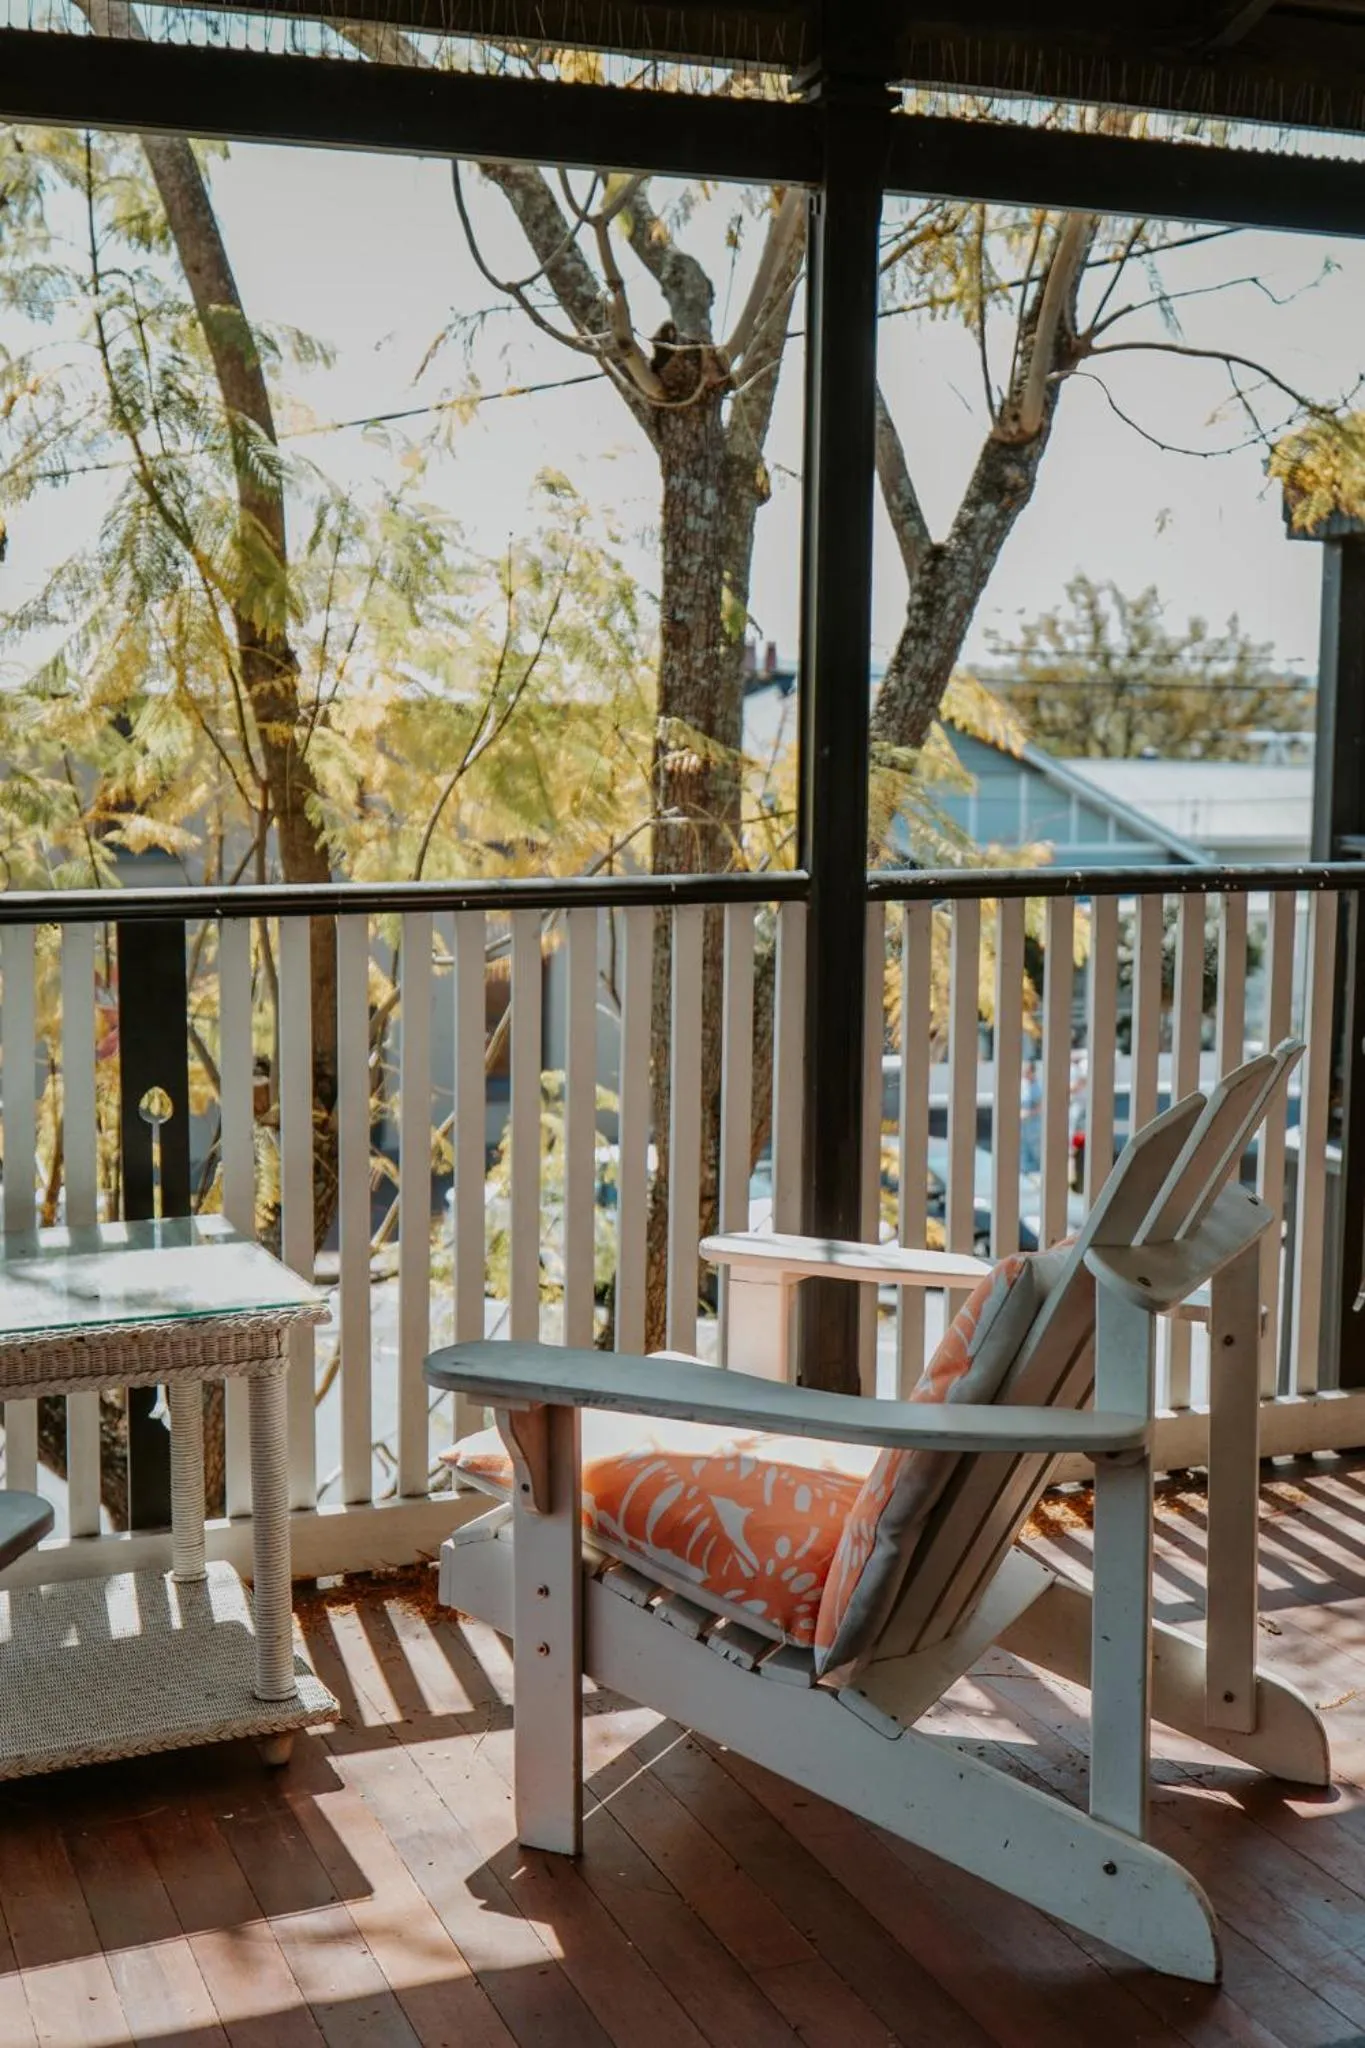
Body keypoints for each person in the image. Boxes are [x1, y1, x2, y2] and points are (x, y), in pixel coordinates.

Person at [1020, 1057, 1043, 1176]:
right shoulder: (1023, 1086)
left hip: (1034, 1126)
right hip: (1023, 1127)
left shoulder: (1038, 1087)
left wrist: (1028, 1113)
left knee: (1037, 1154)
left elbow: (1041, 1106)